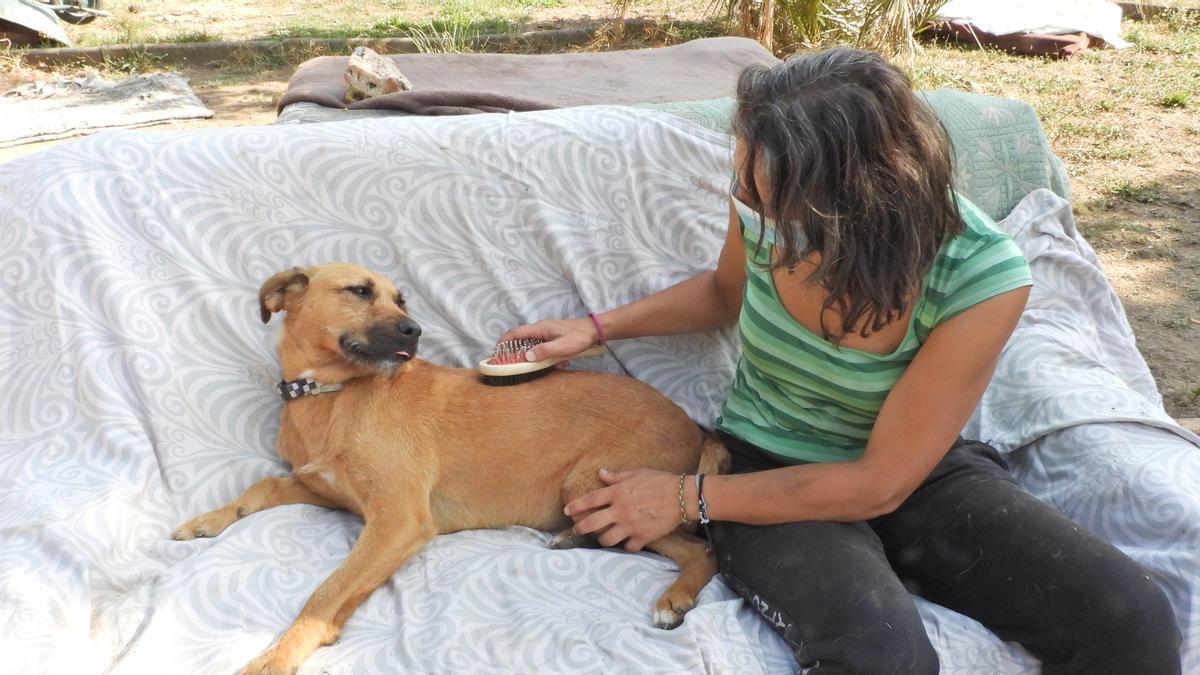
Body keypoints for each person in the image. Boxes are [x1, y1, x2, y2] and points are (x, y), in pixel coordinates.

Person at [498, 47, 1181, 674]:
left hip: (911, 473)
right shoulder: (761, 191)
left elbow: (881, 482)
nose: (745, 199)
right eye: (743, 181)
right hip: (764, 462)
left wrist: (680, 496)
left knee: (1133, 619)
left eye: (765, 197)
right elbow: (721, 291)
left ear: (857, 204)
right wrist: (591, 329)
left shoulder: (981, 274)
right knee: (881, 655)